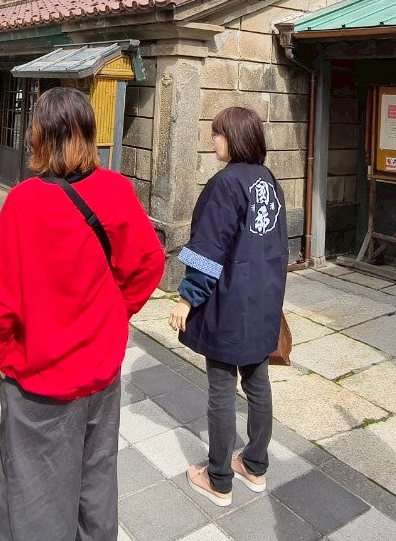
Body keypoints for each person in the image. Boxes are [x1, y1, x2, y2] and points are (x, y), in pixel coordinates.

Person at [0, 87, 164, 541]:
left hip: (39, 374)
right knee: (96, 480)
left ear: (40, 135)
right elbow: (148, 263)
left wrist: (6, 356)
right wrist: (115, 313)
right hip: (100, 368)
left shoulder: (23, 201)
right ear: (88, 133)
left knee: (37, 496)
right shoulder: (116, 190)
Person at [168, 106, 287, 506]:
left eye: (218, 133)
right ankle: (254, 464)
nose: (213, 139)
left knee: (221, 387)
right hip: (263, 298)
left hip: (230, 301)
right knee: (257, 382)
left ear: (234, 138)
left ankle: (218, 478)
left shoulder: (226, 184)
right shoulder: (269, 180)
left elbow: (209, 248)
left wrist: (187, 297)